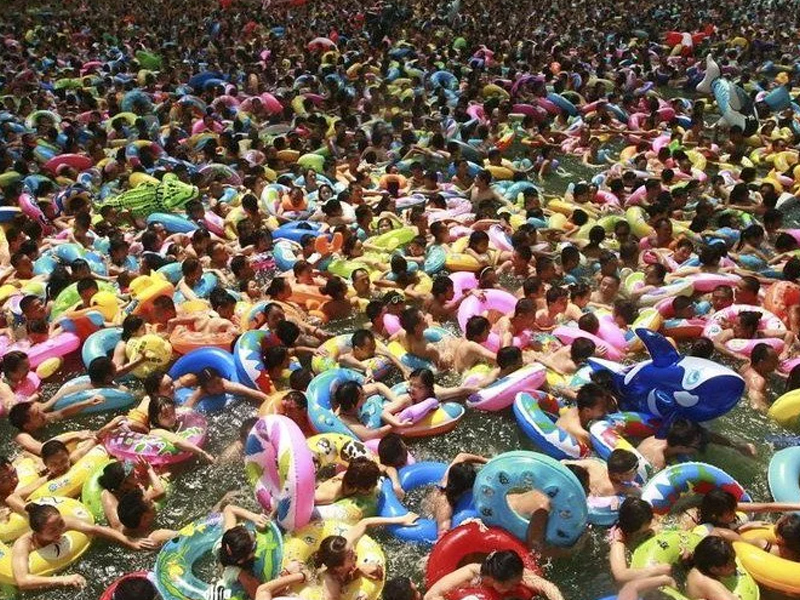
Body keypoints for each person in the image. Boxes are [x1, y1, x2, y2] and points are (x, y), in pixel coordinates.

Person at [11, 502, 155, 590]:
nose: (60, 529)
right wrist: (62, 579)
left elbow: (95, 529)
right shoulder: (23, 544)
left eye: (61, 523)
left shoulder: (63, 524)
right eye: (52, 530)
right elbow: (22, 580)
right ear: (37, 533)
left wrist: (128, 541)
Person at [313, 514, 420, 600]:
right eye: (351, 556)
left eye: (352, 549)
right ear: (339, 567)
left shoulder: (342, 547)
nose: (355, 553)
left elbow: (365, 522)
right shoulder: (331, 586)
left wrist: (401, 519)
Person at [423, 549, 564, 600]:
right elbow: (430, 596)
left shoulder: (513, 571)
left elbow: (546, 586)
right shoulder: (469, 575)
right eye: (513, 585)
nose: (517, 587)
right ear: (497, 581)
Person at [637, 418, 756, 471]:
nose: (698, 448)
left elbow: (707, 436)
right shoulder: (657, 460)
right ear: (681, 447)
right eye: (696, 446)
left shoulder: (668, 436)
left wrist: (737, 446)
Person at [429, 453, 488, 535]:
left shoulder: (452, 471)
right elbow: (443, 531)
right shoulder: (445, 502)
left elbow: (461, 456)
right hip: (436, 510)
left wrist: (487, 461)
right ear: (463, 488)